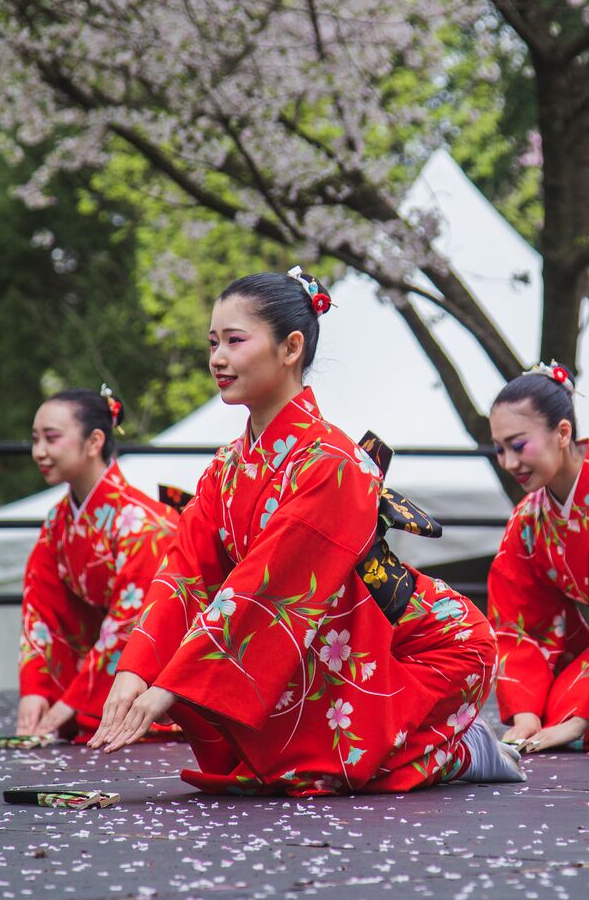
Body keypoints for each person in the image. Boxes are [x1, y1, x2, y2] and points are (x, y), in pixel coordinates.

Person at [89, 269, 524, 794]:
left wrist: (169, 687)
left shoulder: (335, 463)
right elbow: (185, 570)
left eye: (234, 340)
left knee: (326, 767)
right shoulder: (226, 467)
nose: (217, 359)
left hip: (426, 646)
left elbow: (266, 586)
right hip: (329, 641)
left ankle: (455, 748)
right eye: (212, 343)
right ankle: (421, 744)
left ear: (290, 347)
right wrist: (137, 670)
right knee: (279, 763)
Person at [17, 386, 180, 740]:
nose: (39, 452)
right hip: (109, 663)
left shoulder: (143, 523)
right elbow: (40, 605)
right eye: (35, 440)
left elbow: (131, 619)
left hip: (163, 660)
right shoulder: (57, 521)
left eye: (51, 438)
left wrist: (73, 701)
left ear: (93, 442)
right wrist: (36, 690)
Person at [488, 361, 589, 753]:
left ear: (563, 433)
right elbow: (518, 625)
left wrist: (580, 716)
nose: (510, 463)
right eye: (500, 450)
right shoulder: (528, 520)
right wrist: (525, 713)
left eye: (518, 445)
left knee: (571, 711)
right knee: (552, 710)